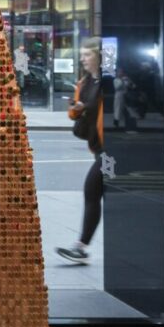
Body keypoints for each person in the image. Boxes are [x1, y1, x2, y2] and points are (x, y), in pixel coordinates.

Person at [56, 38, 114, 265]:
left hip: (111, 151)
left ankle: (81, 246)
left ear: (99, 56)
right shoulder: (85, 82)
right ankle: (82, 247)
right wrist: (76, 108)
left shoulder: (109, 80)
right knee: (103, 192)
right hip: (98, 147)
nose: (82, 59)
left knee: (94, 189)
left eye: (87, 55)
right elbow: (74, 112)